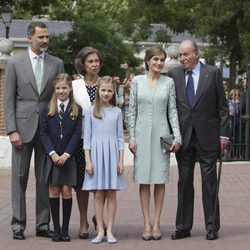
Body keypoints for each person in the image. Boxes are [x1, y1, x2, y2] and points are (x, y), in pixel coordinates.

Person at [4, 21, 64, 240]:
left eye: (47, 37)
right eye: (41, 37)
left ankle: (42, 224)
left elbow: (60, 97)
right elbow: (8, 99)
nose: (45, 41)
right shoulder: (15, 64)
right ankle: (18, 225)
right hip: (21, 128)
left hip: (47, 129)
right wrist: (11, 130)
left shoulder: (57, 63)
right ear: (30, 38)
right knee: (19, 177)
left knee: (44, 178)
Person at [168, 40, 230, 241]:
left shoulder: (212, 73)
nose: (182, 58)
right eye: (180, 55)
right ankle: (183, 226)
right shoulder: (174, 75)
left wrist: (223, 135)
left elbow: (222, 107)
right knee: (184, 182)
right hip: (184, 138)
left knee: (209, 183)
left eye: (186, 54)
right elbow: (171, 108)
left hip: (208, 137)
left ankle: (212, 226)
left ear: (196, 54)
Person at [128, 46, 182, 241]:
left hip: (162, 135)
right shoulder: (137, 81)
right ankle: (146, 223)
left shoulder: (168, 83)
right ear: (147, 61)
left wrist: (177, 137)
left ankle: (157, 222)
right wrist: (132, 139)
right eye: (155, 59)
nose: (159, 63)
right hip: (141, 136)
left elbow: (173, 111)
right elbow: (131, 111)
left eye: (162, 60)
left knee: (159, 179)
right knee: (143, 180)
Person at [82, 76, 126, 244]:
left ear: (113, 92)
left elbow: (120, 138)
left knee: (111, 193)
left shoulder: (117, 112)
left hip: (112, 155)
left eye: (109, 91)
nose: (106, 93)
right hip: (96, 156)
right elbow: (87, 139)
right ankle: (100, 230)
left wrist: (121, 161)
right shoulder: (90, 111)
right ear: (98, 91)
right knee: (99, 193)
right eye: (103, 90)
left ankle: (110, 230)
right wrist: (88, 160)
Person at [40, 73, 82, 242]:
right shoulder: (47, 108)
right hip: (52, 157)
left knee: (66, 190)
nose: (61, 91)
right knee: (54, 190)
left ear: (70, 88)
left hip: (68, 157)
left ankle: (65, 230)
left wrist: (66, 154)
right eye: (58, 88)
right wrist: (52, 154)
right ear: (54, 89)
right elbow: (43, 133)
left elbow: (77, 134)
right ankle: (56, 230)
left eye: (64, 88)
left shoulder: (76, 108)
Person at [72, 46, 104, 239]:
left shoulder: (106, 84)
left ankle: (98, 217)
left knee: (100, 183)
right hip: (80, 140)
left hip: (101, 141)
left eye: (97, 61)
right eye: (90, 61)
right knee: (82, 183)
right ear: (82, 64)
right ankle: (83, 220)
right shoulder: (75, 85)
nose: (94, 64)